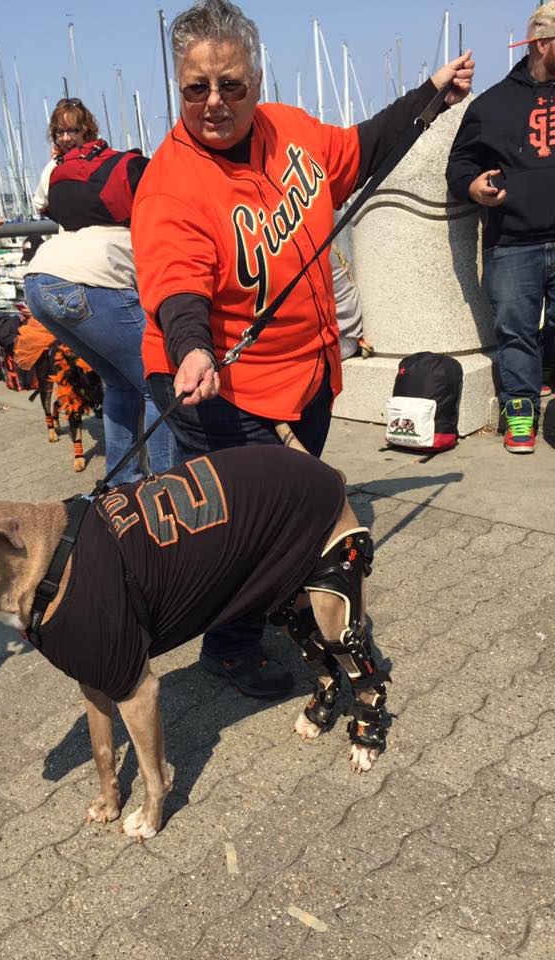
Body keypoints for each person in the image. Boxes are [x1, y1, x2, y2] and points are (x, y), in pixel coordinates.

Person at [131, 0, 473, 698]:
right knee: (252, 530)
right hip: (222, 385)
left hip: (307, 373)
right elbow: (177, 286)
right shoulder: (171, 182)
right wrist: (193, 349)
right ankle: (227, 648)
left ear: (257, 79)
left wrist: (430, 97)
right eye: (197, 87)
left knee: (290, 512)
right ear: (178, 86)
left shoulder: (290, 130)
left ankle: (273, 613)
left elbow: (359, 149)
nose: (215, 102)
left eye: (232, 84)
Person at [23, 97, 176, 483]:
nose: (65, 135)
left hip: (40, 278)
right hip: (94, 278)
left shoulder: (56, 169)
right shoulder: (138, 177)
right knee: (159, 383)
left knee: (121, 383)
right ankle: (167, 485)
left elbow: (42, 207)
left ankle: (120, 485)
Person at [447, 2, 555, 454]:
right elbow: (459, 165)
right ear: (542, 44)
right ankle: (521, 411)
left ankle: (543, 373)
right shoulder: (491, 105)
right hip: (511, 243)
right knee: (515, 332)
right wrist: (473, 187)